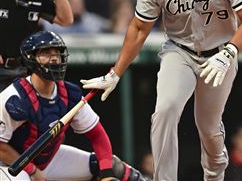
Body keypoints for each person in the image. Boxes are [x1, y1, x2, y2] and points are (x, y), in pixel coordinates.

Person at [80, 0, 242, 181]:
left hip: (221, 53)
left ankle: (214, 176)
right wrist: (116, 72)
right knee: (165, 110)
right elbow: (139, 28)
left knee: (209, 128)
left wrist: (230, 51)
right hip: (180, 51)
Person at [0, 31, 146, 181]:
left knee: (112, 165)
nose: (55, 59)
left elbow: (97, 135)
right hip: (9, 165)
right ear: (31, 59)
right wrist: (32, 170)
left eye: (57, 53)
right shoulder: (14, 97)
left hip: (47, 159)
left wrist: (106, 174)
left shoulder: (69, 94)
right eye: (47, 53)